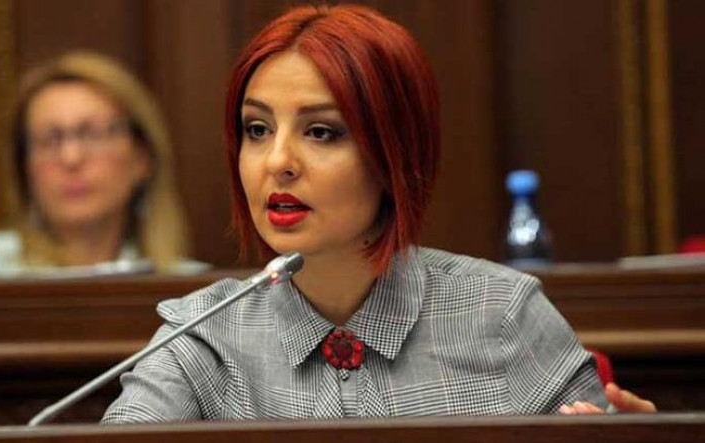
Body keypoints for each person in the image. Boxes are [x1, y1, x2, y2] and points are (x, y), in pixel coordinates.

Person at [103, 5, 652, 422]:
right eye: (258, 129)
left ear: (393, 155)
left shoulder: (502, 315)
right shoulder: (205, 335)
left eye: (322, 132)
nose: (277, 162)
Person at [0, 51, 209, 278]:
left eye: (93, 134)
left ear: (142, 158)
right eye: (49, 139)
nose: (71, 158)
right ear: (24, 167)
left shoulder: (191, 291)